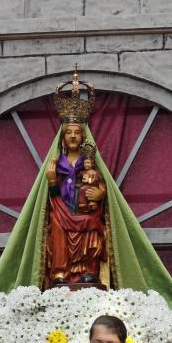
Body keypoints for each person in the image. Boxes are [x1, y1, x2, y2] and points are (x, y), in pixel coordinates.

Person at [45, 122, 107, 285]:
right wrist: (52, 179)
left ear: (83, 137)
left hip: (85, 210)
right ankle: (60, 273)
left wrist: (101, 193)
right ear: (63, 139)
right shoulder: (57, 163)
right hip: (62, 207)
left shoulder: (89, 160)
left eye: (77, 132)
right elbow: (51, 195)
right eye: (68, 133)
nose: (73, 136)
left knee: (91, 222)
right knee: (56, 221)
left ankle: (89, 270)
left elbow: (100, 182)